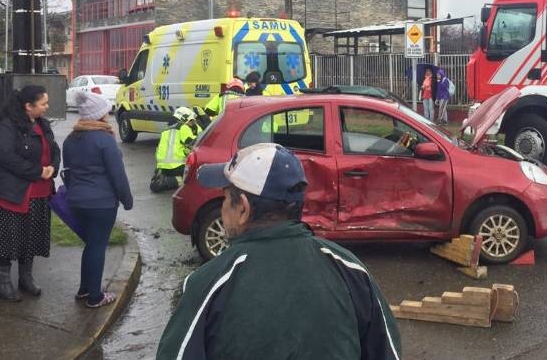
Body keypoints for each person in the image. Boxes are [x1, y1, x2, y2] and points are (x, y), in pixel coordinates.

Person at [157, 143, 402, 359]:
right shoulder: (351, 270)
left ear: (243, 208)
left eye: (224, 199)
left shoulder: (209, 284)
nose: (222, 210)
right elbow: (387, 351)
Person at [0, 85, 60, 302]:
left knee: (31, 237)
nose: (47, 107)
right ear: (28, 106)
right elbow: (3, 156)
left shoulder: (42, 124)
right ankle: (3, 283)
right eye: (43, 103)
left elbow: (54, 149)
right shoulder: (7, 126)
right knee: (6, 239)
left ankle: (26, 278)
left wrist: (53, 166)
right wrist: (37, 171)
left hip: (39, 192)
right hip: (12, 193)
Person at [61, 91, 134, 308]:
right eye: (106, 112)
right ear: (99, 115)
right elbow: (117, 175)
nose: (109, 116)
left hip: (76, 201)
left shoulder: (71, 139)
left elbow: (69, 172)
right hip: (101, 204)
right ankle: (95, 297)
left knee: (91, 245)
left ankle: (85, 289)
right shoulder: (105, 140)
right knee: (97, 246)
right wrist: (127, 200)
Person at [151, 107, 199, 193]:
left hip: (162, 166)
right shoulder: (183, 127)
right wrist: (200, 135)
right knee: (193, 178)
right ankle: (166, 182)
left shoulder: (165, 130)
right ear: (184, 118)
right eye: (190, 120)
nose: (192, 123)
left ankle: (161, 176)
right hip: (177, 166)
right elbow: (193, 142)